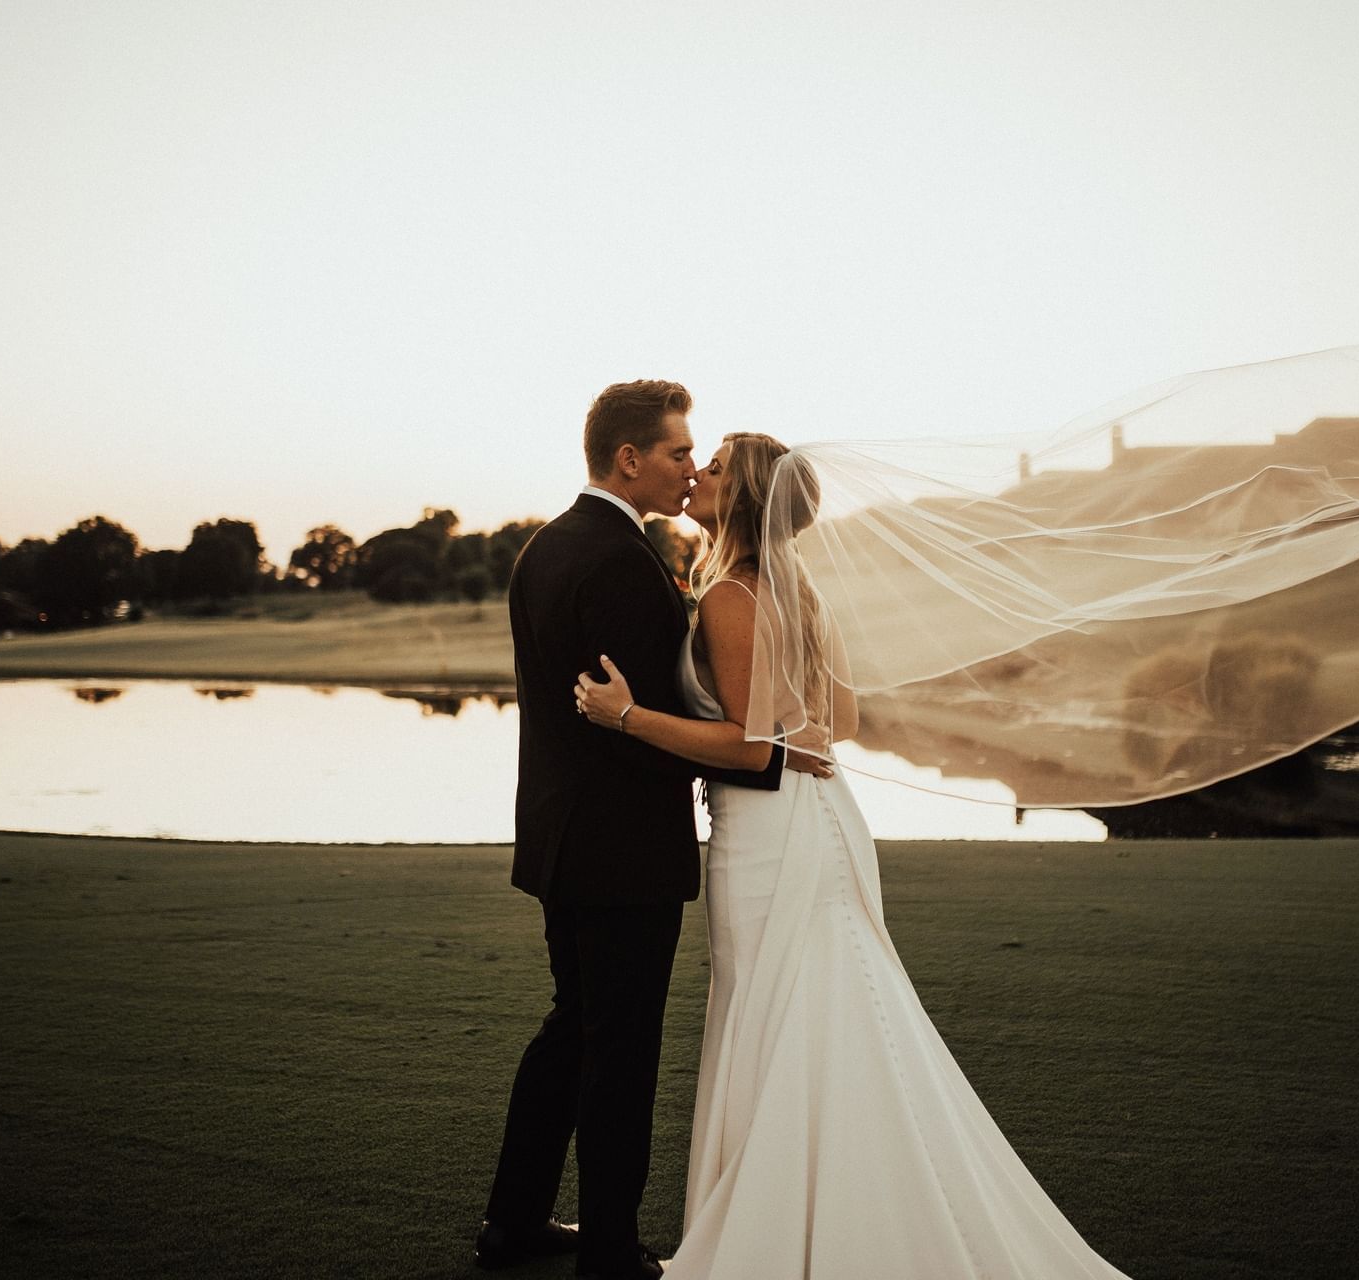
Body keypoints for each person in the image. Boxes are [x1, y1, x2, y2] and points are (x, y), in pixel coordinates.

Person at [575, 431, 1137, 1277]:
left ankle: (787, 1227)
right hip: (824, 816)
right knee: (825, 1003)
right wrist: (790, 733)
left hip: (766, 832)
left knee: (777, 1008)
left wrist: (628, 717)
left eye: (715, 467)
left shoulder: (730, 594)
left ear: (744, 497)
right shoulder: (801, 590)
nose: (698, 474)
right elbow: (842, 722)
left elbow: (748, 748)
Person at [477, 382, 810, 1280]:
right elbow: (638, 722)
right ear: (630, 459)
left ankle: (513, 1222)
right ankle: (611, 1252)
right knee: (619, 1050)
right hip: (621, 852)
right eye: (677, 452)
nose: (691, 468)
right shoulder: (621, 561)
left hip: (560, 837)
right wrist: (765, 759)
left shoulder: (548, 546)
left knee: (574, 1027)